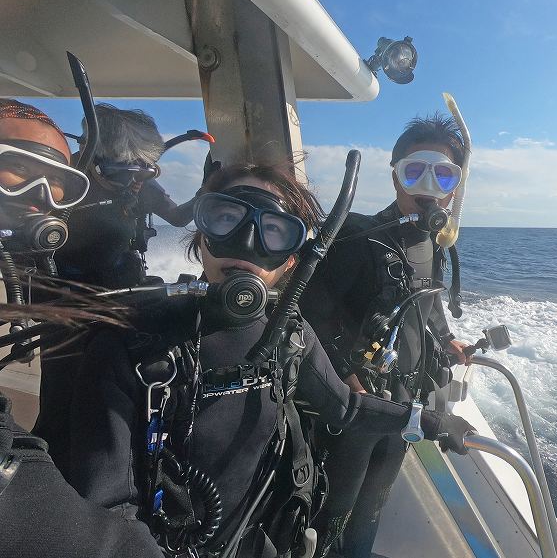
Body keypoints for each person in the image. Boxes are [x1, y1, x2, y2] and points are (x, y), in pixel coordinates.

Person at [36, 161, 476, 558]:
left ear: (293, 260)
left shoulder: (289, 334)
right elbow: (107, 507)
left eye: (275, 231)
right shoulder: (134, 343)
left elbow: (345, 407)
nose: (246, 245)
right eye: (226, 218)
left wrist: (428, 422)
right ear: (201, 235)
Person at [300, 114, 472, 558]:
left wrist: (447, 338)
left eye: (444, 173)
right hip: (355, 408)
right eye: (415, 171)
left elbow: (427, 301)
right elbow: (311, 315)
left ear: (456, 185)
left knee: (372, 509)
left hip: (404, 404)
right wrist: (349, 382)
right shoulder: (358, 238)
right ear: (394, 175)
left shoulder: (432, 243)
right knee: (334, 514)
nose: (427, 186)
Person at [0, 98, 164, 558]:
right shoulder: (81, 196)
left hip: (117, 319)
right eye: (16, 168)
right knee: (62, 403)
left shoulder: (133, 193)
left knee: (97, 412)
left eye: (143, 170)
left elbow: (177, 216)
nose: (45, 194)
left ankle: (63, 481)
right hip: (69, 319)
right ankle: (59, 476)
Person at [55, 103, 196, 288]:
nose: (131, 182)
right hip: (64, 282)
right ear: (85, 152)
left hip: (121, 280)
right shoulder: (61, 177)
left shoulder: (141, 181)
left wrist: (208, 191)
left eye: (139, 173)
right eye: (119, 173)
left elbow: (178, 218)